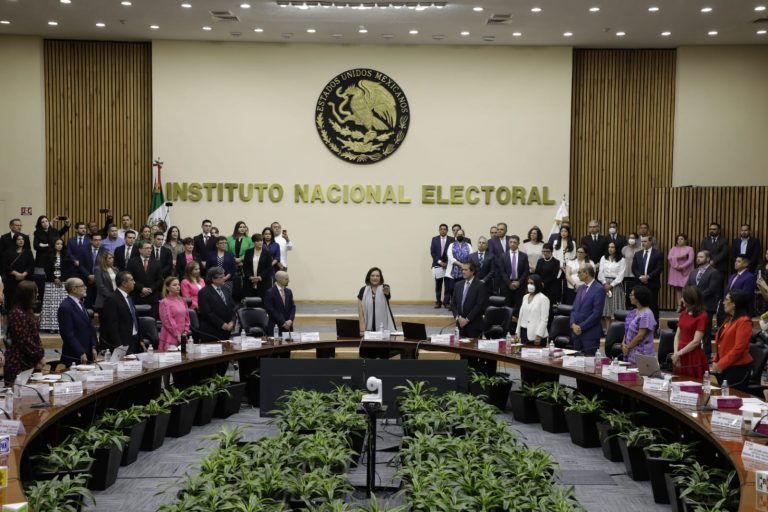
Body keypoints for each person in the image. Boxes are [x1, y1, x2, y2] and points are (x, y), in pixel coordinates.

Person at [3, 281, 45, 385]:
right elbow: (24, 340)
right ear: (27, 295)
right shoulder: (16, 313)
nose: (37, 295)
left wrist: (39, 355)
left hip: (31, 358)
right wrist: (39, 356)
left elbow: (35, 337)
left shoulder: (28, 311)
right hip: (19, 361)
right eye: (35, 293)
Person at [711, 289, 753, 388]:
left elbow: (739, 349)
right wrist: (716, 360)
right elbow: (721, 343)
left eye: (726, 300)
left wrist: (721, 364)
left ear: (734, 303)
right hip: (726, 367)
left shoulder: (744, 322)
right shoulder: (729, 319)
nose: (724, 303)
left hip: (737, 369)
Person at [685, 250, 722, 358]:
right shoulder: (693, 272)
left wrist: (695, 297)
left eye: (701, 257)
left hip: (706, 305)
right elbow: (688, 286)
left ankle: (706, 354)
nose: (698, 258)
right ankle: (692, 352)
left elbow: (711, 289)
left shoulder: (714, 272)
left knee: (705, 332)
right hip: (693, 306)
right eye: (697, 257)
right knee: (692, 330)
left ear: (708, 259)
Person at [57, 277, 98, 366]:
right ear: (74, 289)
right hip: (75, 356)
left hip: (88, 352)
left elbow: (89, 327)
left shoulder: (80, 303)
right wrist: (80, 352)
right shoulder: (65, 307)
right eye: (82, 286)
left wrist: (93, 346)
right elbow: (67, 335)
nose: (85, 288)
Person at [357, 267, 396, 359]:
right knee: (366, 356)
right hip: (368, 330)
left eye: (377, 276)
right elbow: (360, 312)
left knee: (382, 357)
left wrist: (387, 290)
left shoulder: (384, 288)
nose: (375, 278)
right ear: (369, 277)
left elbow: (387, 291)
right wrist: (363, 330)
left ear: (380, 277)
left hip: (382, 330)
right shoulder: (363, 290)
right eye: (373, 275)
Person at [671, 285, 709, 379]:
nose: (681, 299)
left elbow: (696, 341)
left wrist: (679, 353)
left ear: (690, 298)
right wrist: (676, 352)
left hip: (692, 355)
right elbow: (677, 336)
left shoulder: (702, 316)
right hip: (679, 354)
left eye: (683, 297)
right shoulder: (683, 314)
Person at [100, 271, 140, 353]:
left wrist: (140, 339)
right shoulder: (112, 299)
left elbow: (134, 318)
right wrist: (119, 345)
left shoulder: (129, 297)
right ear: (124, 283)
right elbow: (111, 324)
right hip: (122, 343)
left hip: (134, 339)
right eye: (132, 280)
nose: (134, 282)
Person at [569, 265, 605, 355]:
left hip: (590, 334)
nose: (577, 275)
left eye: (579, 272)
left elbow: (597, 313)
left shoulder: (599, 289)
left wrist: (581, 327)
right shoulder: (581, 288)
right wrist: (573, 324)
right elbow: (574, 309)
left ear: (587, 273)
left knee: (589, 365)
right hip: (576, 334)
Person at [40, 239, 73, 332]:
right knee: (51, 306)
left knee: (61, 305)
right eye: (57, 244)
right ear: (53, 245)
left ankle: (61, 327)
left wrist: (61, 279)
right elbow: (47, 270)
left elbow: (69, 270)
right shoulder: (48, 255)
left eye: (61, 244)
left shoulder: (66, 255)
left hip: (62, 283)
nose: (59, 245)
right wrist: (54, 278)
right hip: (51, 283)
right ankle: (51, 327)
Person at [452, 260, 489, 338]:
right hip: (460, 324)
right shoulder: (458, 285)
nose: (463, 272)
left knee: (472, 349)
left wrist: (467, 320)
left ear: (472, 271)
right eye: (462, 270)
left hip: (474, 325)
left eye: (466, 270)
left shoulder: (480, 285)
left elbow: (479, 305)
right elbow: (453, 304)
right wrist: (458, 317)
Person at [197, 266, 236, 341]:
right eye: (221, 277)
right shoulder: (204, 292)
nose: (224, 278)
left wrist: (232, 321)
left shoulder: (225, 289)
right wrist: (222, 324)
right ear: (213, 279)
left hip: (227, 331)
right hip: (212, 332)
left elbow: (233, 307)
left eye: (224, 276)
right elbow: (207, 313)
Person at [126, 240, 163, 318]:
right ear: (140, 250)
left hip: (152, 297)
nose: (149, 250)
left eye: (150, 248)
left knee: (152, 321)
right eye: (146, 248)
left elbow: (160, 280)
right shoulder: (132, 262)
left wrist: (151, 289)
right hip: (138, 296)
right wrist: (141, 288)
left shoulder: (156, 262)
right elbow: (130, 278)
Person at [632, 235, 663, 326]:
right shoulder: (637, 254)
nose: (643, 243)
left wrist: (648, 277)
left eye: (645, 241)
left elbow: (659, 268)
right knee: (639, 305)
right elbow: (634, 268)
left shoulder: (657, 254)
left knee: (652, 306)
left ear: (650, 242)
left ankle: (654, 327)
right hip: (640, 284)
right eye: (642, 241)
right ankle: (639, 326)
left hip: (652, 284)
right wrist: (641, 277)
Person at [621, 285, 657, 363]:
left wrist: (628, 347)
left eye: (632, 295)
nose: (630, 296)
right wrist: (623, 344)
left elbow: (640, 336)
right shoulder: (633, 312)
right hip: (630, 353)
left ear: (639, 297)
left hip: (642, 355)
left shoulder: (646, 314)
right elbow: (627, 329)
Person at [598, 241, 626, 332]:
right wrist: (604, 283)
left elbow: (621, 275)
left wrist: (611, 285)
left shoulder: (621, 260)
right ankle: (608, 330)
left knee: (616, 310)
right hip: (605, 284)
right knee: (606, 310)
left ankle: (615, 331)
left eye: (613, 247)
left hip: (616, 285)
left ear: (616, 248)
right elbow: (600, 272)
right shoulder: (603, 258)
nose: (610, 249)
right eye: (609, 247)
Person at [515, 274, 550, 345]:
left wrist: (539, 335)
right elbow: (521, 317)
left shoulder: (543, 299)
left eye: (532, 283)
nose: (529, 285)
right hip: (523, 331)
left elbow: (544, 320)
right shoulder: (525, 297)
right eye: (528, 283)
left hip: (535, 334)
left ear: (537, 284)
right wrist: (517, 332)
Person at [2, 234, 34, 310]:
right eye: (18, 239)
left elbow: (31, 265)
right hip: (11, 280)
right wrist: (16, 274)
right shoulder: (8, 252)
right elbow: (5, 266)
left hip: (25, 280)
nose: (21, 241)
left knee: (25, 300)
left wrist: (24, 274)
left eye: (22, 239)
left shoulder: (28, 252)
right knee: (11, 301)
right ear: (15, 241)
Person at [497, 235, 529, 311]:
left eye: (514, 242)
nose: (512, 244)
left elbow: (526, 271)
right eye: (510, 242)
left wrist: (519, 282)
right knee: (507, 307)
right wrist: (509, 283)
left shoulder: (524, 256)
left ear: (518, 243)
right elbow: (502, 271)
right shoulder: (503, 256)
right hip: (506, 285)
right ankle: (507, 322)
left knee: (519, 307)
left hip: (520, 285)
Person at [159, 276, 190, 352]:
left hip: (183, 335)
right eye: (174, 285)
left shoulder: (182, 300)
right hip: (170, 336)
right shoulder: (164, 302)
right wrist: (177, 334)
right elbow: (168, 321)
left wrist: (186, 331)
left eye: (178, 284)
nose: (178, 287)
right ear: (168, 288)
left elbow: (187, 318)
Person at [445, 229, 473, 307]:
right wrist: (461, 265)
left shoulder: (468, 245)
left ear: (463, 235)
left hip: (465, 271)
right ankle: (453, 304)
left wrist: (465, 266)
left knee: (463, 289)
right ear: (455, 236)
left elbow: (471, 256)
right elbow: (450, 257)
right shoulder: (451, 245)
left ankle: (462, 304)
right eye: (458, 234)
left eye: (461, 234)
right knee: (452, 288)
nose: (459, 236)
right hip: (453, 271)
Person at [264, 270, 295, 336]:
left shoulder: (289, 292)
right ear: (279, 280)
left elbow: (292, 307)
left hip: (288, 327)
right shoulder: (270, 292)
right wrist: (283, 323)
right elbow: (271, 310)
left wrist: (290, 320)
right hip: (275, 327)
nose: (288, 281)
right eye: (286, 279)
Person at [429, 223, 453, 308]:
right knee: (438, 285)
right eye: (441, 229)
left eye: (444, 229)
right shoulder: (434, 239)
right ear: (439, 230)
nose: (443, 230)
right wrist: (440, 262)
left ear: (447, 230)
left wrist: (447, 263)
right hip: (437, 265)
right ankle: (438, 302)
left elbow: (452, 252)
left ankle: (446, 302)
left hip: (448, 266)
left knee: (448, 285)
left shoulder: (451, 239)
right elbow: (433, 252)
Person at [667, 233, 695, 305]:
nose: (679, 240)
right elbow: (669, 258)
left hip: (686, 270)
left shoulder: (689, 248)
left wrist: (682, 266)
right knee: (678, 289)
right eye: (678, 239)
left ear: (686, 240)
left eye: (681, 239)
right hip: (675, 271)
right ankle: (679, 305)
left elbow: (690, 260)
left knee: (687, 289)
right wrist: (677, 263)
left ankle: (686, 305)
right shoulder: (673, 248)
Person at [243, 233, 273, 300]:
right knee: (250, 302)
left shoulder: (267, 253)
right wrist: (250, 277)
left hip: (263, 281)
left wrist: (260, 277)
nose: (260, 243)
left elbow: (269, 267)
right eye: (257, 241)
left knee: (263, 301)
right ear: (254, 242)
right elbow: (245, 267)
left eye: (261, 240)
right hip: (250, 281)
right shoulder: (248, 252)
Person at [621, 232, 642, 309]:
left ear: (636, 239)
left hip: (637, 274)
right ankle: (627, 307)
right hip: (627, 273)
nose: (631, 239)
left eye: (633, 238)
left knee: (636, 292)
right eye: (630, 237)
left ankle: (636, 307)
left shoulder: (641, 249)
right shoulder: (624, 249)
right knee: (627, 292)